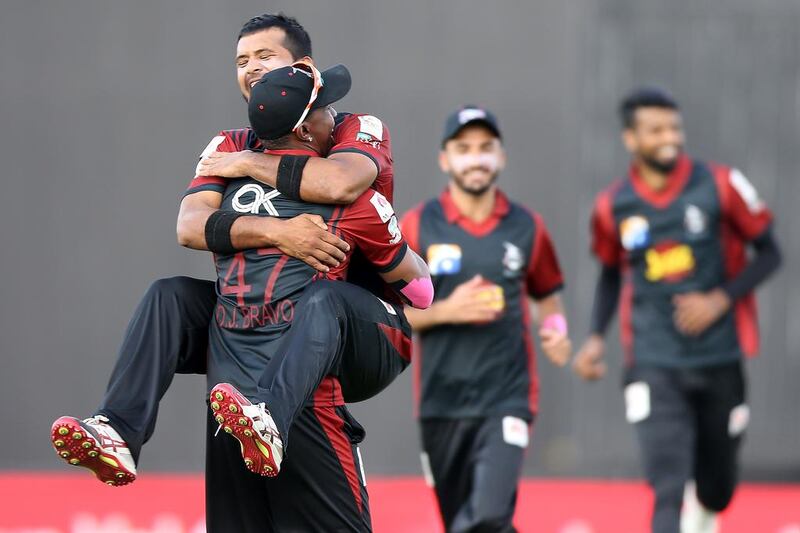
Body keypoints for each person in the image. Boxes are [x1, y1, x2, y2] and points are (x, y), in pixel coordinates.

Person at [49, 13, 400, 487]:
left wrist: (246, 163)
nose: (251, 67)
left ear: (303, 66)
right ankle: (118, 431)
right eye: (241, 60)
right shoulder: (228, 143)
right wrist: (278, 232)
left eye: (264, 56)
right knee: (167, 295)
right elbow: (190, 227)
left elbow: (340, 181)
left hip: (352, 321)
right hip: (260, 323)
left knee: (323, 302)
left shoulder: (353, 125)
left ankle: (272, 418)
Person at [193, 61, 429, 532]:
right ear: (304, 130)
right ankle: (269, 420)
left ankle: (117, 425)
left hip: (233, 383)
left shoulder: (231, 182)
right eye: (324, 109)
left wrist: (243, 168)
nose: (335, 116)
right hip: (314, 388)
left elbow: (188, 228)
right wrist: (385, 240)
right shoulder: (353, 197)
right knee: (326, 300)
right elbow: (420, 292)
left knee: (169, 296)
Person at [572, 88, 782, 533]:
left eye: (675, 127)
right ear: (631, 139)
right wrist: (594, 337)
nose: (670, 137)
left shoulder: (722, 184)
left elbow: (770, 253)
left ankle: (706, 511)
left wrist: (720, 299)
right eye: (656, 129)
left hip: (719, 358)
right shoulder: (613, 205)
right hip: (652, 361)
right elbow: (611, 273)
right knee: (667, 486)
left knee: (717, 489)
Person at [401, 106, 572, 533]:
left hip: (507, 399)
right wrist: (447, 310)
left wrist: (556, 332)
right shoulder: (419, 225)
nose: (475, 159)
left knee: (489, 516)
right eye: (463, 149)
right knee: (466, 522)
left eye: (485, 148)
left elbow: (547, 297)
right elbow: (390, 313)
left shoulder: (527, 227)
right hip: (441, 404)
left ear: (501, 156)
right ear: (445, 159)